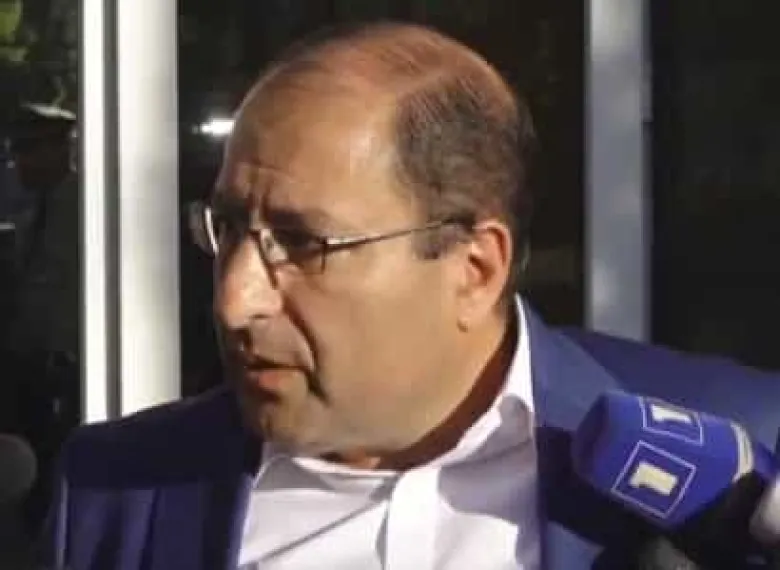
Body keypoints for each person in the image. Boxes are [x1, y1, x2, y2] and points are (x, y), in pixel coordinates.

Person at [39, 22, 780, 570]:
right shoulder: (116, 490)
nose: (236, 299)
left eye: (304, 242)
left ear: (475, 269)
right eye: (228, 228)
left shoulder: (744, 460)